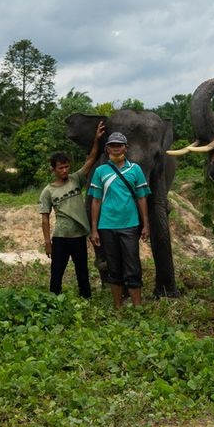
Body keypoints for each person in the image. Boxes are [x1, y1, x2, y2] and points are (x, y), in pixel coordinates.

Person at [39, 121, 105, 297]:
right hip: (61, 237)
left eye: (66, 166)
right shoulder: (48, 191)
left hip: (78, 237)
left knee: (82, 272)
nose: (65, 170)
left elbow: (91, 159)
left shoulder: (76, 179)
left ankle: (86, 299)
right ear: (53, 169)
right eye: (60, 168)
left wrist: (97, 140)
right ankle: (53, 300)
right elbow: (45, 218)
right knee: (56, 273)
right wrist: (47, 243)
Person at [88, 131, 150, 307]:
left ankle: (137, 307)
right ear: (107, 149)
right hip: (107, 225)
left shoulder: (135, 170)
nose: (116, 149)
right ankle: (117, 306)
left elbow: (142, 198)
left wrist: (146, 225)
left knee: (133, 267)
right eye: (112, 146)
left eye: (119, 145)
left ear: (126, 148)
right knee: (113, 268)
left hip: (130, 225)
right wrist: (94, 229)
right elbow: (96, 201)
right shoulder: (100, 171)